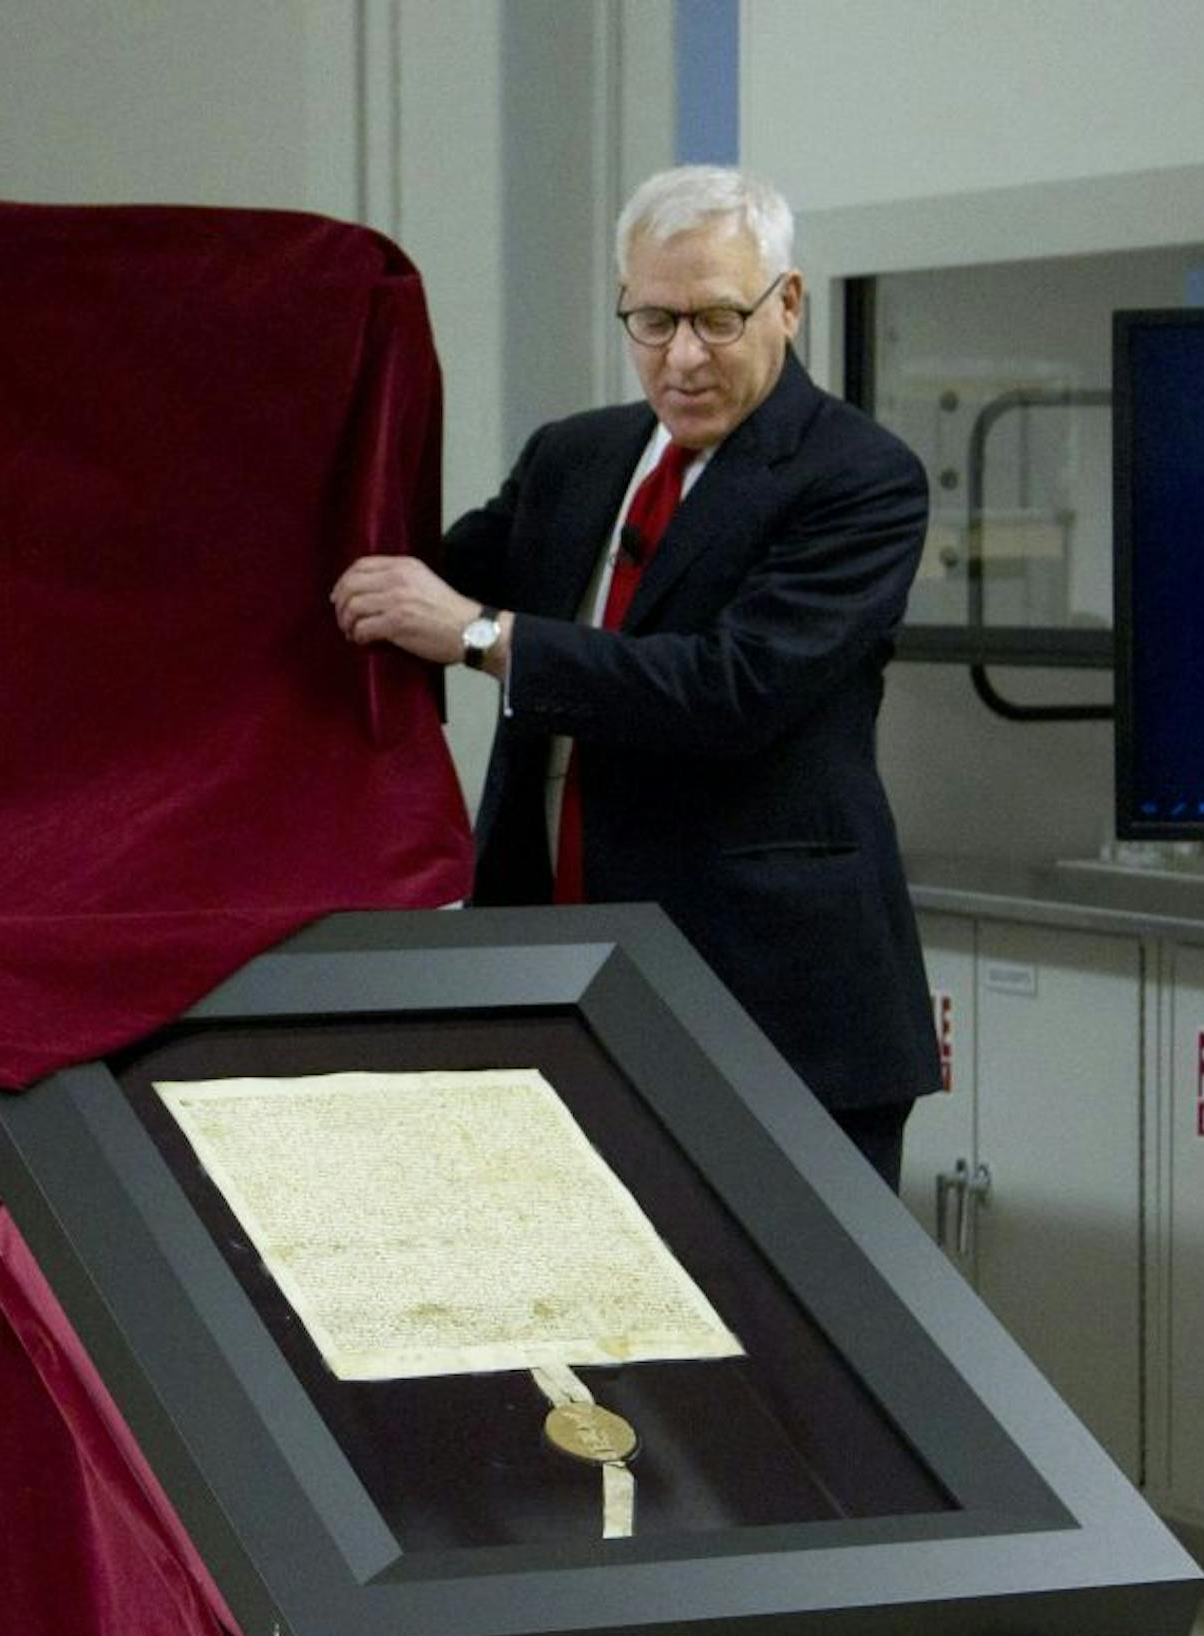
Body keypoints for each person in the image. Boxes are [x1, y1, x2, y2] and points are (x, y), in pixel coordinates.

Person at [331, 164, 938, 1186]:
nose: (683, 357)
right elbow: (414, 586)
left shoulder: (860, 477)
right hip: (549, 977)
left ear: (788, 303)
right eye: (653, 322)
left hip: (773, 1009)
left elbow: (729, 689)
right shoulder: (574, 457)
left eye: (717, 319)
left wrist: (480, 636)